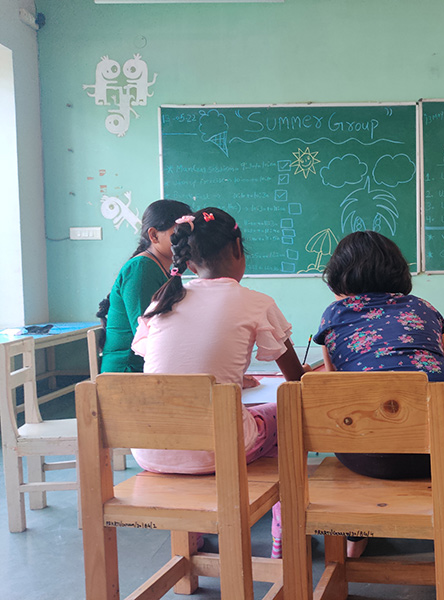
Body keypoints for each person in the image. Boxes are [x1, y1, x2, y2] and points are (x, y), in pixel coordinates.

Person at [130, 207, 305, 558]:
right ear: (238, 249)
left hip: (149, 450)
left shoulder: (161, 302)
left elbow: (170, 366)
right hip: (217, 452)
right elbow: (297, 380)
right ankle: (285, 534)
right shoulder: (256, 302)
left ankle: (192, 536)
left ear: (190, 261)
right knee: (286, 415)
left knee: (224, 418)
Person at [313, 230, 444, 558]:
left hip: (369, 456)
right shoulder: (422, 307)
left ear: (338, 277)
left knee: (358, 429)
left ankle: (356, 534)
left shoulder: (332, 316)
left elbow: (335, 392)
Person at [97, 199, 193, 373]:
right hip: (128, 373)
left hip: (150, 367)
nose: (185, 241)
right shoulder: (141, 268)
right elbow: (147, 336)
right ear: (154, 235)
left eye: (188, 235)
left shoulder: (160, 269)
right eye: (178, 234)